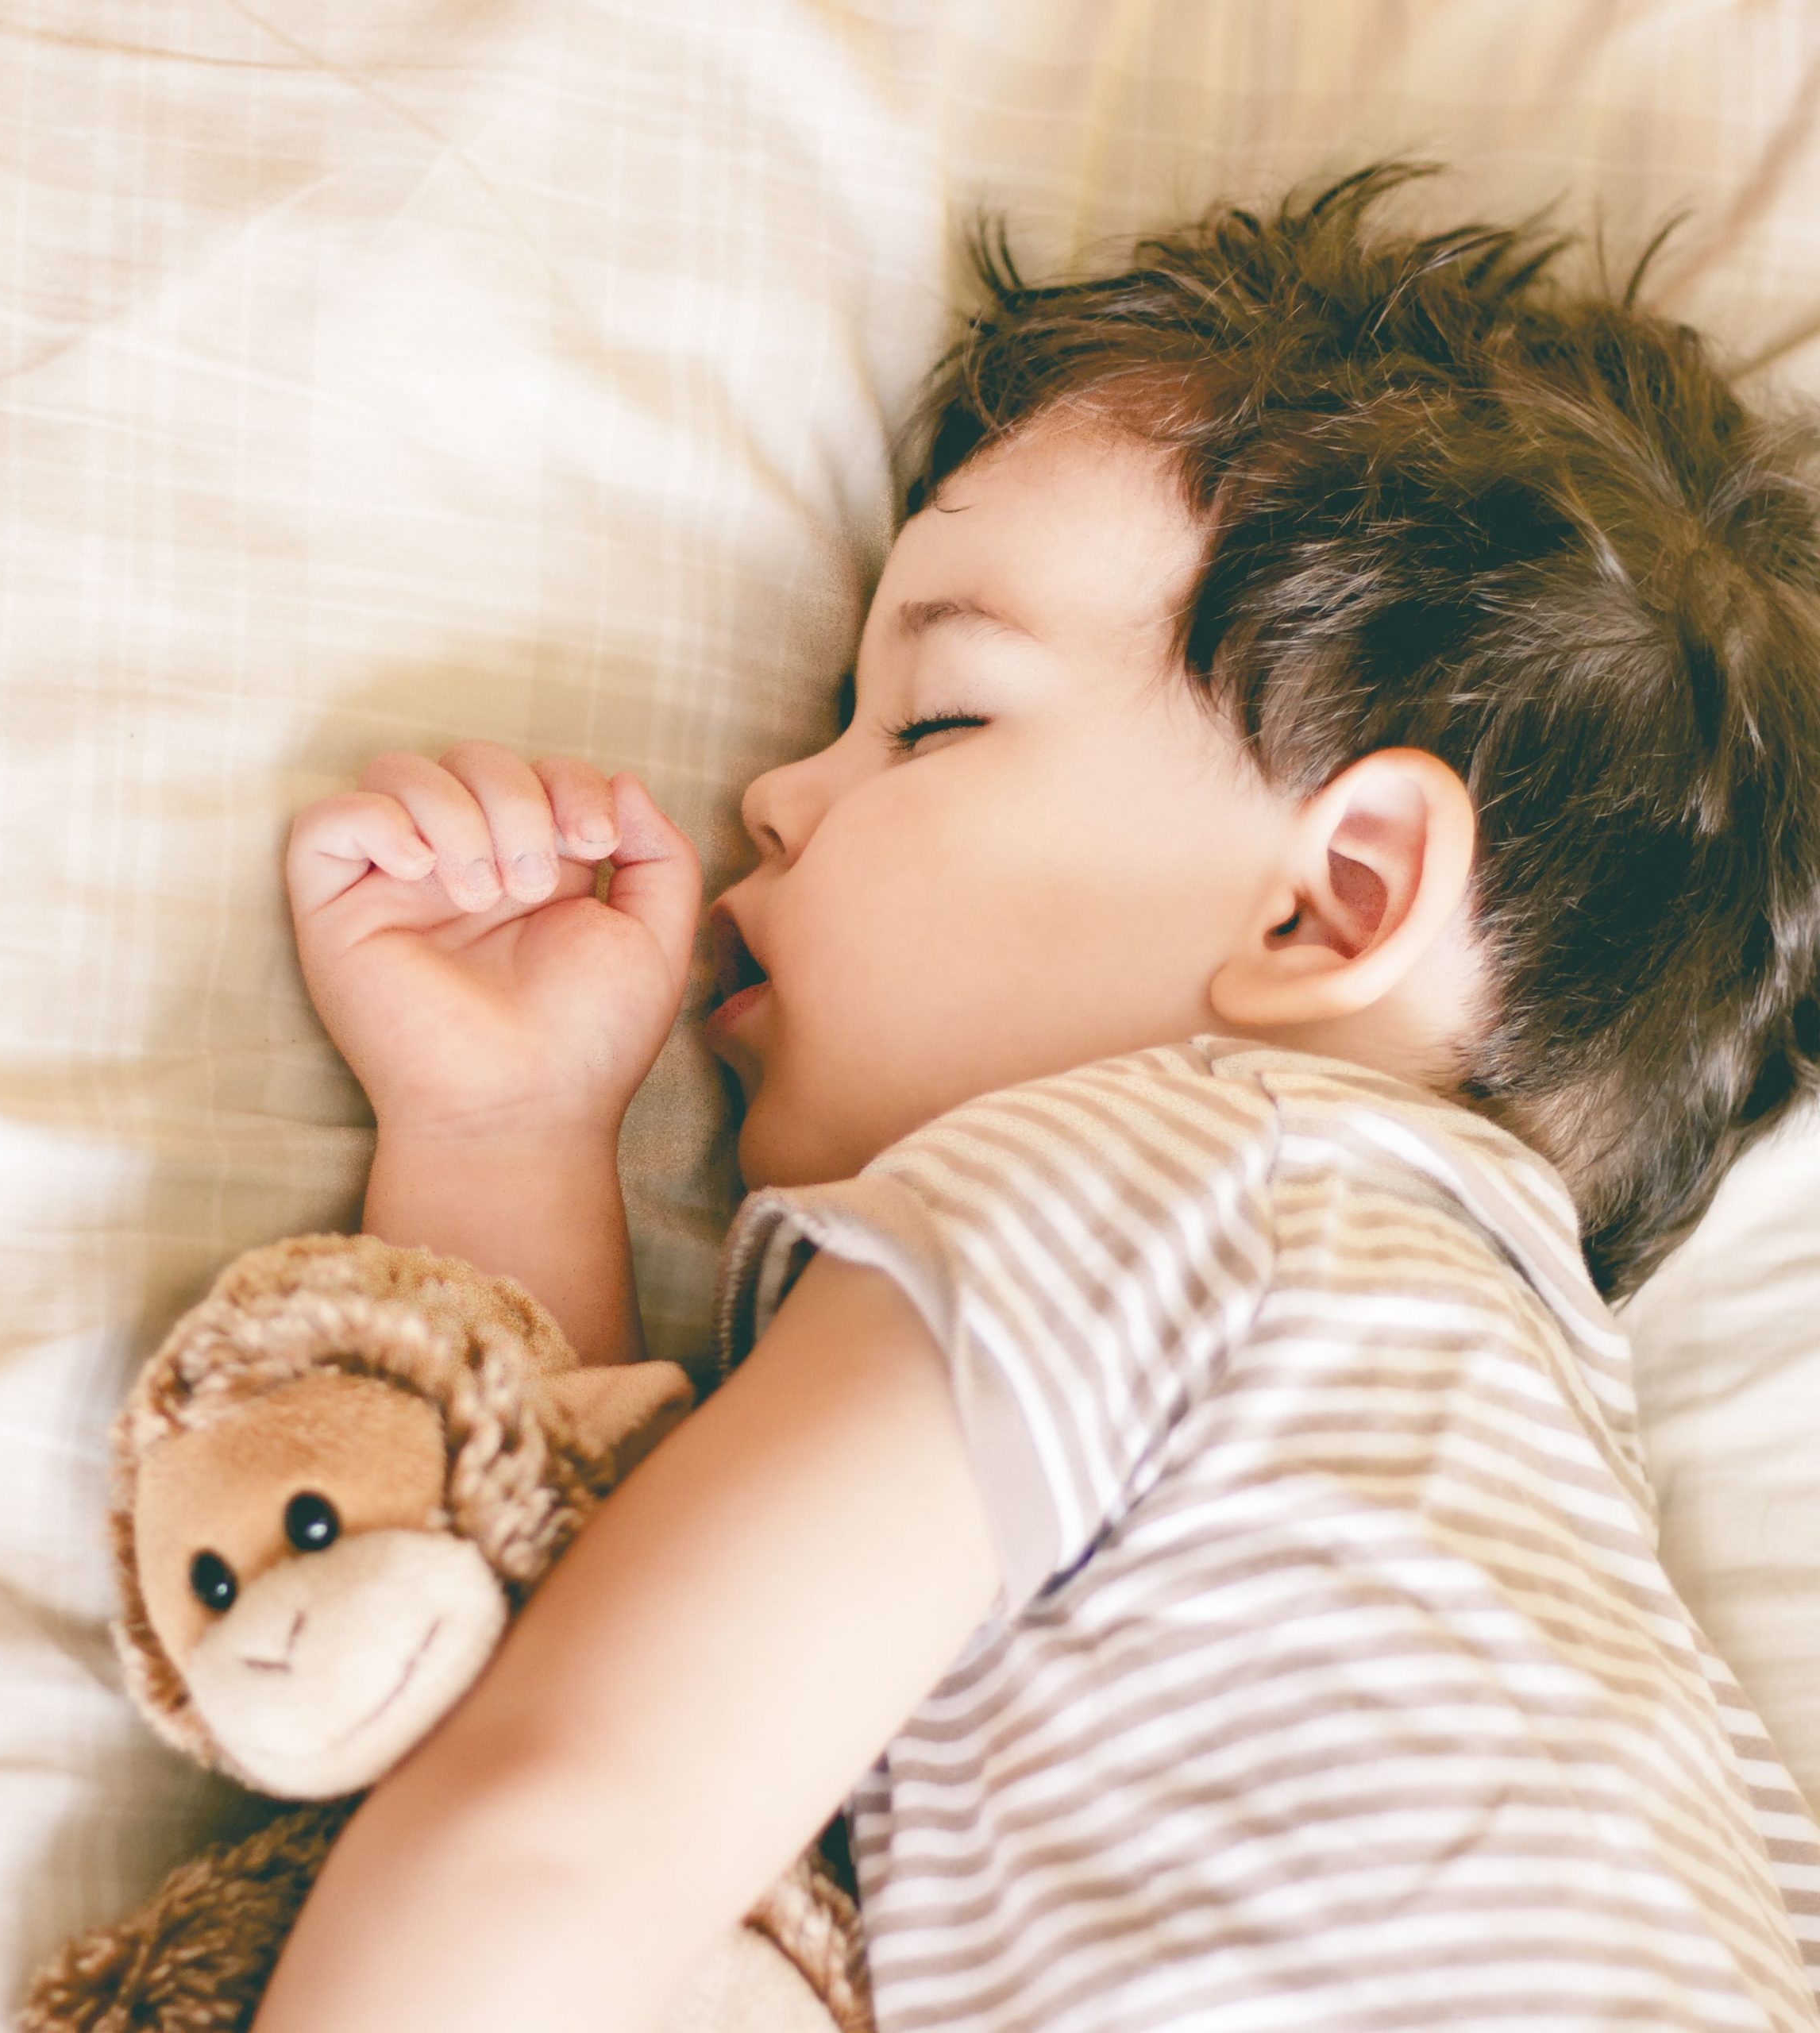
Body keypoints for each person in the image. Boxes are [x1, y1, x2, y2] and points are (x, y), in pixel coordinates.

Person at [260, 164, 1820, 2031]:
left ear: (1332, 898)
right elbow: (693, 1878)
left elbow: (557, 1823)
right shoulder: (1505, 1545)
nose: (774, 790)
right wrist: (506, 1129)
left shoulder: (1177, 1175)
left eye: (932, 721)